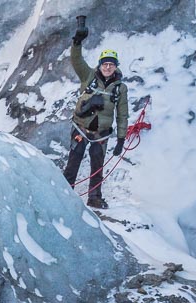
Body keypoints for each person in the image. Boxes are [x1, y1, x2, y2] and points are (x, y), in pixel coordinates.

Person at [63, 21, 128, 210]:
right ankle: (65, 192)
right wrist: (77, 42)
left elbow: (122, 114)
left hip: (102, 134)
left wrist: (121, 139)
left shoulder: (120, 88)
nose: (107, 67)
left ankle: (94, 198)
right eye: (105, 64)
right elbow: (77, 61)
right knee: (73, 162)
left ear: (115, 67)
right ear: (99, 65)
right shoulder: (88, 76)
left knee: (97, 168)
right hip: (80, 128)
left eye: (111, 64)